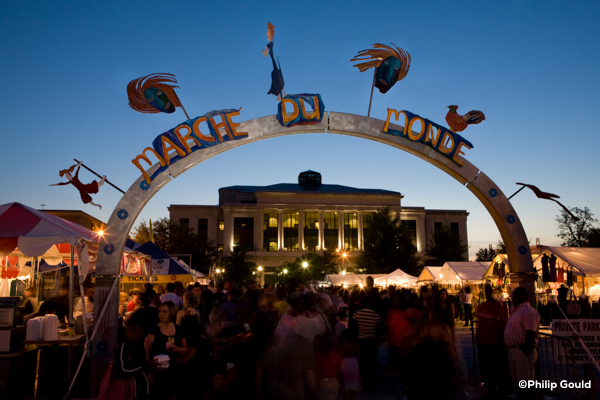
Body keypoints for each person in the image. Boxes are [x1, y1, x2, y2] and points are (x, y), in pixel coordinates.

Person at [144, 301, 187, 398]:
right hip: (158, 367)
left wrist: (175, 348)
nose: (161, 314)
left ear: (171, 313)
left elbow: (185, 349)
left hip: (173, 367)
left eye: (164, 312)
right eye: (159, 311)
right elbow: (147, 351)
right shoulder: (154, 329)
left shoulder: (178, 329)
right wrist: (150, 371)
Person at [99, 318, 149, 400]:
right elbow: (120, 371)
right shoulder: (124, 347)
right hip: (128, 392)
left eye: (133, 332)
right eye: (127, 332)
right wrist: (143, 366)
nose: (129, 335)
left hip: (139, 391)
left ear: (141, 331)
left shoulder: (139, 346)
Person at [504, 287, 540, 400]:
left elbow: (531, 331)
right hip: (513, 350)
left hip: (522, 351)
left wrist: (525, 349)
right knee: (518, 384)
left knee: (525, 384)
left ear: (522, 296)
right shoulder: (517, 310)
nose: (512, 297)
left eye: (514, 295)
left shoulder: (528, 311)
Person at [475, 284, 510, 399]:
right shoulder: (482, 306)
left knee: (497, 367)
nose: (487, 293)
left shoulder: (498, 306)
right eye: (486, 291)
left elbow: (502, 325)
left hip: (495, 342)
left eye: (488, 290)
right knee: (487, 367)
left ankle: (501, 389)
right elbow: (479, 323)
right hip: (484, 342)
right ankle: (491, 388)